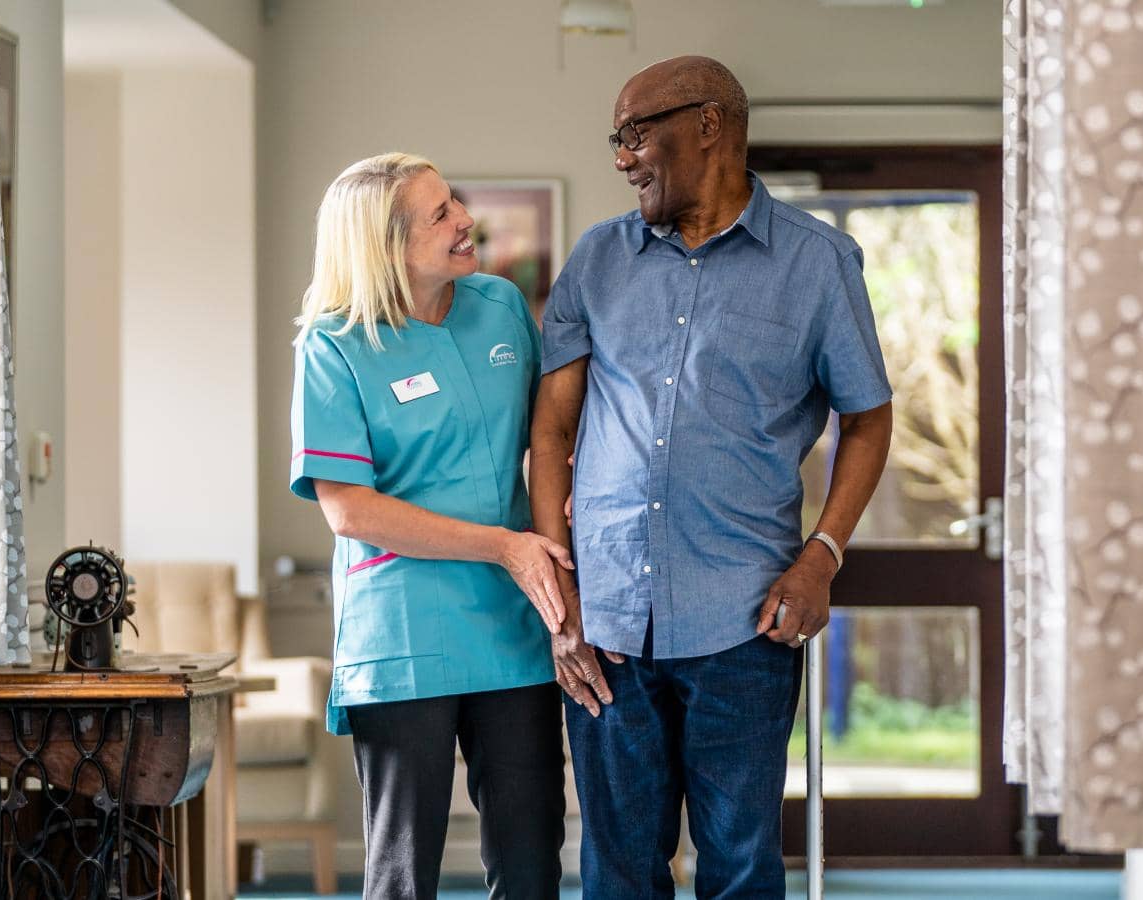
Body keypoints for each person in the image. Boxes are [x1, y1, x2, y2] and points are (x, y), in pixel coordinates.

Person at [529, 57, 895, 898]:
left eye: (634, 134)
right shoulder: (599, 259)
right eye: (615, 140)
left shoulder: (818, 262)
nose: (621, 158)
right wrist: (560, 596)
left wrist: (823, 555)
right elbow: (551, 430)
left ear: (708, 124)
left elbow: (868, 419)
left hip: (746, 624)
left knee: (738, 873)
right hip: (607, 624)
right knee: (619, 873)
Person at [289, 152, 569, 899]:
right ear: (386, 245)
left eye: (456, 204)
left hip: (513, 625)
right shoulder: (333, 344)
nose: (464, 221)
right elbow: (349, 507)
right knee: (404, 872)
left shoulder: (501, 306)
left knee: (533, 856)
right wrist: (504, 547)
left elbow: (550, 435)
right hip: (404, 629)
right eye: (440, 214)